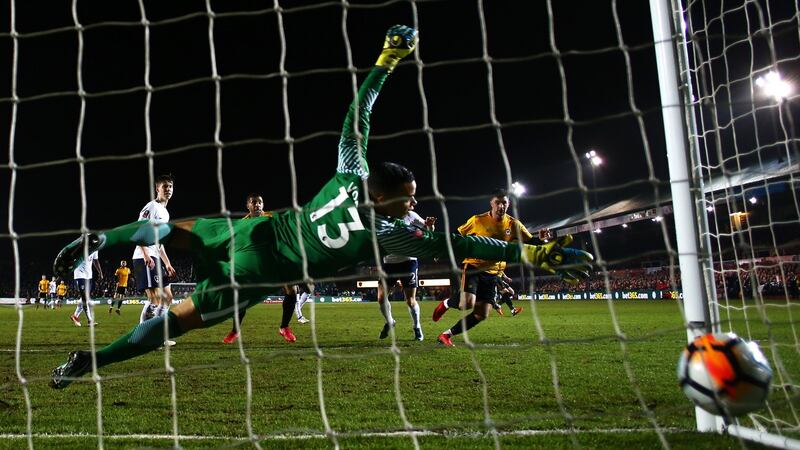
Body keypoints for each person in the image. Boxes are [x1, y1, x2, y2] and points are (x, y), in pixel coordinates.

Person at [49, 25, 591, 389]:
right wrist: (536, 256)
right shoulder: (392, 234)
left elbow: (359, 116)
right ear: (385, 201)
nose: (413, 203)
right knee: (174, 323)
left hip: (256, 231)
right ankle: (89, 363)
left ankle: (103, 238)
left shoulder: (349, 172)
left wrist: (387, 61)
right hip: (259, 272)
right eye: (406, 199)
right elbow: (464, 243)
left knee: (173, 230)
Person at [433, 190, 578, 347]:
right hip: (474, 266)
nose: (501, 206)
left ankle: (446, 335)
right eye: (498, 202)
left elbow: (531, 242)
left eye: (504, 203)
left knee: (482, 314)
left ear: (508, 204)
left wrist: (542, 239)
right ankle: (446, 303)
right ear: (491, 203)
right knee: (466, 304)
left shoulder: (513, 224)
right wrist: (441, 250)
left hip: (493, 273)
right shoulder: (477, 220)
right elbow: (457, 235)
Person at [376, 210, 436, 341]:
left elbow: (428, 231)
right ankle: (390, 322)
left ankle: (417, 326)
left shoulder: (411, 215)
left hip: (408, 262)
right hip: (389, 263)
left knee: (410, 300)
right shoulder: (382, 216)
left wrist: (430, 225)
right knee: (381, 298)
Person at [222, 193, 273, 344]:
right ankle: (235, 331)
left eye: (260, 202)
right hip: (251, 264)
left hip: (272, 262)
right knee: (241, 298)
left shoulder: (271, 217)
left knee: (293, 289)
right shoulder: (241, 223)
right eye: (254, 202)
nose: (257, 205)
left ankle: (285, 327)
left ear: (263, 205)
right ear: (248, 206)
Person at [133, 174, 177, 335]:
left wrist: (167, 263)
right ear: (157, 189)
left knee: (167, 298)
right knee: (155, 299)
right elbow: (138, 230)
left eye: (170, 186)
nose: (168, 189)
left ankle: (156, 335)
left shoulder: (165, 213)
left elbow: (159, 243)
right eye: (165, 186)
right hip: (143, 256)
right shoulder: (151, 206)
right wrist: (146, 255)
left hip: (156, 256)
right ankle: (142, 335)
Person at [70, 250, 103, 327]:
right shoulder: (80, 247)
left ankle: (75, 316)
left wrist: (100, 272)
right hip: (79, 274)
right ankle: (90, 320)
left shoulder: (95, 248)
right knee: (84, 298)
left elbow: (95, 261)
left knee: (85, 298)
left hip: (89, 276)